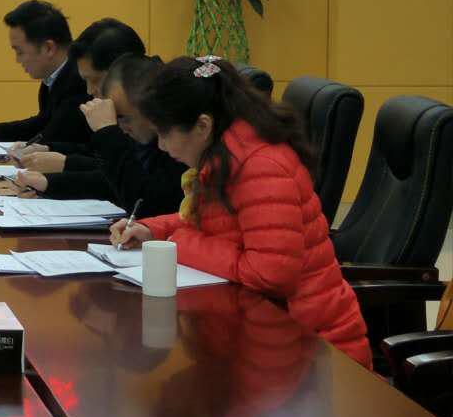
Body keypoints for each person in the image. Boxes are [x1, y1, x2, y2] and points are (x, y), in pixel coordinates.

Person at [110, 56, 371, 367]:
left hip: (315, 352)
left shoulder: (261, 167)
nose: (163, 147)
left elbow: (271, 274)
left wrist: (179, 243)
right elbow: (215, 223)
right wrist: (153, 230)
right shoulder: (227, 155)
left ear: (203, 126)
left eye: (165, 135)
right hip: (270, 339)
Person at [21, 53, 185, 216]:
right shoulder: (145, 139)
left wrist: (107, 132)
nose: (90, 91)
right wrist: (48, 183)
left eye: (123, 117)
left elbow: (145, 204)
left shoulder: (177, 145)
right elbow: (112, 182)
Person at [0, 0, 89, 146]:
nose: (17, 60)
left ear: (48, 48)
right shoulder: (54, 77)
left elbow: (56, 138)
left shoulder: (80, 80)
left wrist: (24, 149)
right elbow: (42, 124)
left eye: (20, 52)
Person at [17, 19, 145, 176]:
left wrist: (66, 164)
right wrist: (49, 148)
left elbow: (131, 175)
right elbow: (94, 152)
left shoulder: (154, 112)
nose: (89, 91)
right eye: (85, 81)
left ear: (123, 72)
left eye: (95, 80)